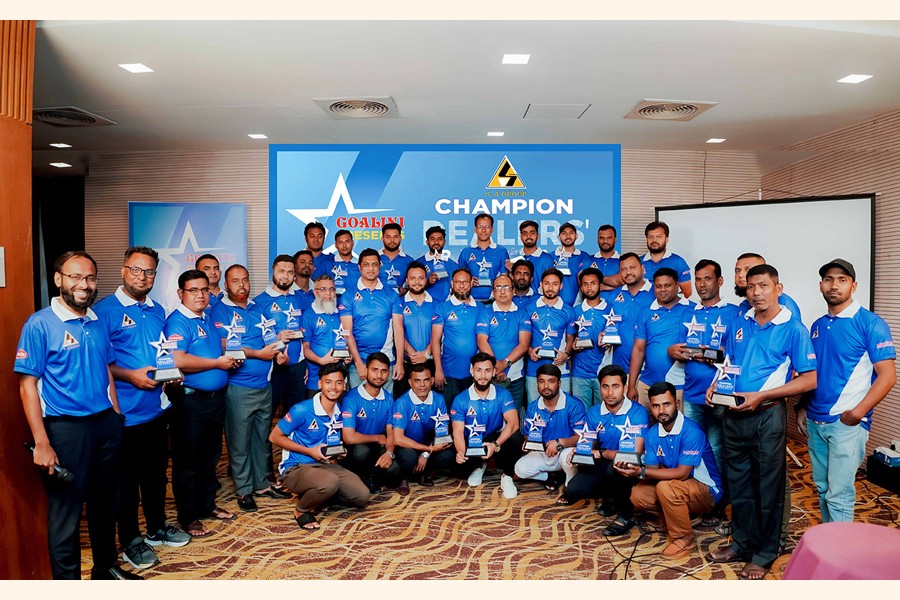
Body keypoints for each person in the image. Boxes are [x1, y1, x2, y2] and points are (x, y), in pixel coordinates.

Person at [16, 251, 137, 580]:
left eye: (90, 278)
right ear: (59, 279)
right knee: (66, 513)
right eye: (75, 277)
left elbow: (106, 368)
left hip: (106, 424)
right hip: (66, 429)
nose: (84, 284)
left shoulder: (96, 321)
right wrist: (42, 443)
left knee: (105, 503)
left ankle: (105, 569)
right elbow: (27, 387)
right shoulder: (39, 324)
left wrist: (116, 414)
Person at [705, 264, 816, 580]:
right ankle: (742, 543)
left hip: (767, 415)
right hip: (733, 414)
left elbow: (809, 379)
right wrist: (715, 384)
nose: (756, 292)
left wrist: (763, 395)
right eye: (751, 286)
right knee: (739, 483)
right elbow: (729, 362)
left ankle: (765, 553)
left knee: (767, 486)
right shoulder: (741, 322)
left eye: (764, 286)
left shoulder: (793, 328)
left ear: (778, 289)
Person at [93, 247, 189, 571]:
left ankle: (157, 527)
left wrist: (170, 374)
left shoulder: (157, 310)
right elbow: (99, 362)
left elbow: (160, 355)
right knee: (126, 484)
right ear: (123, 270)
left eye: (149, 272)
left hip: (156, 410)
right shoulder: (103, 311)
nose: (142, 277)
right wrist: (130, 375)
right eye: (136, 270)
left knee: (155, 477)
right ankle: (131, 540)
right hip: (124, 415)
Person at [799, 259, 895, 523]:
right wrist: (803, 406)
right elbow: (815, 371)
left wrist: (857, 413)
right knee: (823, 490)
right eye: (829, 279)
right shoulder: (818, 325)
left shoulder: (870, 324)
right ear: (821, 285)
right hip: (815, 421)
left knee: (839, 496)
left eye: (842, 280)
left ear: (853, 286)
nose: (834, 285)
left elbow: (887, 377)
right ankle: (828, 541)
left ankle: (840, 548)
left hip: (846, 423)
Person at [166, 269, 239, 538]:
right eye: (193, 290)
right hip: (190, 403)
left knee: (210, 457)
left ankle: (206, 504)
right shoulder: (177, 322)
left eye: (204, 290)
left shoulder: (206, 317)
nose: (200, 295)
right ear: (180, 293)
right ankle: (188, 516)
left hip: (214, 401)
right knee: (188, 461)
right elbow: (178, 359)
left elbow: (214, 352)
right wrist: (217, 363)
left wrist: (228, 360)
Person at [211, 264, 291, 513]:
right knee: (239, 442)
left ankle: (262, 485)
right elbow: (224, 345)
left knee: (260, 439)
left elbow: (271, 339)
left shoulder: (257, 308)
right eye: (235, 281)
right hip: (239, 387)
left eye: (245, 280)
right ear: (226, 285)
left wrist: (280, 353)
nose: (241, 285)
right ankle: (244, 489)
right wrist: (258, 354)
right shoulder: (220, 310)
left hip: (263, 386)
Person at [667, 259, 737, 523]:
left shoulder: (733, 313)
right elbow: (679, 347)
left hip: (720, 394)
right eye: (698, 279)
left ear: (719, 281)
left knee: (717, 449)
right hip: (692, 394)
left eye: (707, 279)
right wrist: (673, 350)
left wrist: (714, 356)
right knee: (695, 450)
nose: (702, 284)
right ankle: (701, 500)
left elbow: (736, 352)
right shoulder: (689, 313)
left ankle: (720, 502)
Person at [620, 382, 723, 559]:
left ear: (676, 403)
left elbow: (682, 473)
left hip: (707, 490)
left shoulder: (691, 431)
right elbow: (652, 471)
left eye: (666, 404)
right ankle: (679, 517)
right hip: (677, 486)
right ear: (650, 407)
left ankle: (684, 538)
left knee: (666, 488)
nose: (661, 410)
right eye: (656, 406)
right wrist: (632, 469)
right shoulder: (653, 433)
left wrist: (642, 472)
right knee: (638, 494)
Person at [270, 363, 369, 531]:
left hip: (326, 465)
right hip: (296, 467)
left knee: (362, 496)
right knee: (329, 482)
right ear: (319, 384)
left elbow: (332, 441)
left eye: (338, 382)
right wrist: (310, 451)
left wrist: (339, 452)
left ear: (344, 385)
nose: (334, 387)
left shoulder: (340, 412)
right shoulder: (302, 409)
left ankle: (321, 495)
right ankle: (301, 510)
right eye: (328, 382)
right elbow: (274, 437)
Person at [560, 364, 648, 537]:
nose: (610, 392)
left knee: (615, 468)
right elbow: (588, 444)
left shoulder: (638, 413)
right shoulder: (594, 412)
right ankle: (611, 496)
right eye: (605, 386)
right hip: (603, 461)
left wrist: (602, 453)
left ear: (624, 388)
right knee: (574, 490)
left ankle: (625, 514)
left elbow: (633, 455)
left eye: (615, 386)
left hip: (628, 465)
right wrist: (579, 452)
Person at [450, 353, 524, 499]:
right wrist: (461, 452)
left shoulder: (503, 394)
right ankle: (478, 466)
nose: (483, 376)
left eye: (487, 370)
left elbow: (513, 423)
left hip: (495, 440)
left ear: (494, 372)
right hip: (472, 441)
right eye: (478, 370)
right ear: (471, 371)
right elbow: (457, 431)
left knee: (516, 438)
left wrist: (495, 445)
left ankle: (507, 476)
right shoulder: (460, 399)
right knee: (458, 466)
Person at [628, 268, 694, 411]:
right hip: (647, 384)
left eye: (667, 285)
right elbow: (638, 349)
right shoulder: (646, 311)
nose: (662, 290)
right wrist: (631, 386)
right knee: (643, 424)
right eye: (658, 286)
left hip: (679, 385)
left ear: (677, 285)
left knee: (676, 424)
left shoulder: (693, 310)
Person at [340, 248, 405, 391]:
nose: (371, 269)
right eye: (366, 264)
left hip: (386, 361)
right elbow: (347, 332)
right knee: (357, 403)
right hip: (359, 362)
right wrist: (358, 362)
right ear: (359, 267)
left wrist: (400, 362)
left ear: (380, 266)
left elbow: (399, 330)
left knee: (385, 402)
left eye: (374, 264)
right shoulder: (348, 295)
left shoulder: (391, 295)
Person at [514, 364, 587, 493]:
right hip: (544, 452)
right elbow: (527, 434)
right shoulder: (533, 407)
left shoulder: (574, 405)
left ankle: (569, 484)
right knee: (520, 469)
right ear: (537, 383)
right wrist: (528, 443)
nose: (546, 386)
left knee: (568, 459)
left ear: (559, 383)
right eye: (541, 381)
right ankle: (551, 476)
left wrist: (559, 443)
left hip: (565, 450)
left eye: (551, 381)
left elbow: (581, 437)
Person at [252, 255, 309, 418]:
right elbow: (255, 338)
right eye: (281, 271)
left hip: (297, 366)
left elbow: (307, 331)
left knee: (296, 416)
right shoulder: (258, 302)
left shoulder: (300, 298)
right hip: (273, 366)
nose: (285, 276)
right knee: (266, 415)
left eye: (290, 272)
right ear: (273, 271)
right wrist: (276, 339)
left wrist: (306, 364)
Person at [340, 352, 401, 493]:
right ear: (366, 370)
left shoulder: (388, 399)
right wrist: (378, 438)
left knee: (394, 470)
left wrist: (389, 453)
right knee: (361, 452)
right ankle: (363, 476)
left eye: (384, 371)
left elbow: (390, 432)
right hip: (355, 447)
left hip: (376, 447)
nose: (379, 375)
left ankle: (372, 473)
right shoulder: (351, 398)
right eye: (374, 370)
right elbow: (349, 438)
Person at [392, 363, 457, 494]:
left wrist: (426, 454)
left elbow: (443, 434)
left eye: (426, 380)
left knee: (447, 456)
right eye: (417, 381)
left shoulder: (439, 399)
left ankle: (422, 472)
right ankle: (403, 478)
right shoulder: (402, 402)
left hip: (427, 442)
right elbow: (398, 439)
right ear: (410, 382)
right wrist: (428, 449)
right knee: (409, 457)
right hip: (407, 445)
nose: (422, 385)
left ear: (432, 381)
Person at [476, 274, 531, 415]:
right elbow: (482, 341)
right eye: (498, 287)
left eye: (506, 287)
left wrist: (505, 363)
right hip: (489, 375)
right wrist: (495, 367)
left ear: (513, 291)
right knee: (490, 417)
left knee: (513, 418)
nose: (502, 291)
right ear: (493, 292)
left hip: (515, 376)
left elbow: (524, 344)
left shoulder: (522, 313)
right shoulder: (485, 312)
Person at [524, 268, 576, 402]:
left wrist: (566, 355)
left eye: (555, 284)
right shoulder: (530, 308)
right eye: (547, 283)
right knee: (534, 409)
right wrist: (529, 351)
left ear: (561, 286)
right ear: (541, 285)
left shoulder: (568, 311)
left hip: (560, 369)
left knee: (562, 408)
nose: (550, 288)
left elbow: (571, 338)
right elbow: (522, 337)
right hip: (534, 370)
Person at [432, 267, 481, 403]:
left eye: (465, 282)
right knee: (448, 413)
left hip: (474, 374)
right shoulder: (442, 307)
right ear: (452, 284)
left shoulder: (481, 308)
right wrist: (438, 370)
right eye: (458, 282)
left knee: (470, 412)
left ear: (472, 283)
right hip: (448, 373)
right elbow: (435, 340)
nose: (461, 286)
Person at [302, 275, 351, 397]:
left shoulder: (342, 312)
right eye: (323, 289)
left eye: (331, 289)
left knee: (339, 408)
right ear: (315, 292)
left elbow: (348, 338)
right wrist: (320, 360)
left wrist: (349, 356)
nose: (328, 293)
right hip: (316, 379)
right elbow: (305, 348)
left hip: (340, 378)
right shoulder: (308, 314)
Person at [571, 268, 614, 408]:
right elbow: (570, 338)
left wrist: (609, 339)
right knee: (581, 414)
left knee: (603, 413)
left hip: (603, 372)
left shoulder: (611, 310)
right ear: (581, 288)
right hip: (579, 373)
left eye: (593, 283)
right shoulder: (575, 311)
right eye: (585, 284)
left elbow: (617, 335)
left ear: (600, 286)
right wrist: (573, 345)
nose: (589, 288)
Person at [396, 261, 435, 398]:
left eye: (421, 278)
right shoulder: (398, 303)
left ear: (426, 280)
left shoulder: (437, 304)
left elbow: (439, 334)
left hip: (430, 363)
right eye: (412, 278)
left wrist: (426, 353)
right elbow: (396, 331)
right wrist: (413, 354)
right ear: (407, 280)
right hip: (407, 363)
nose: (417, 282)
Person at [733, 252, 802, 321]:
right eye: (737, 271)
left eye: (748, 270)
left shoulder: (784, 305)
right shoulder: (745, 305)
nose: (740, 275)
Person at [457, 213, 510, 302]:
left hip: (495, 301)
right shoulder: (465, 252)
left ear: (492, 229)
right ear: (475, 229)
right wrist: (468, 281)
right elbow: (459, 278)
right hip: (470, 301)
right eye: (480, 226)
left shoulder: (501, 251)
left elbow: (504, 278)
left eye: (487, 226)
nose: (484, 230)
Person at [640, 221, 692, 298]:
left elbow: (687, 292)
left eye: (659, 236)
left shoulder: (678, 262)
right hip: (643, 305)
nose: (654, 240)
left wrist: (667, 301)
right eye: (650, 237)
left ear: (666, 239)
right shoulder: (638, 262)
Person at [506, 220, 555, 294]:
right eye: (525, 233)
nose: (528, 236)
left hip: (539, 300)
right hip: (517, 299)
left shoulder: (548, 259)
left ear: (538, 236)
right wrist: (510, 272)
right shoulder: (513, 259)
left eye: (532, 233)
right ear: (521, 237)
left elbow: (551, 284)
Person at [418, 224, 459, 301]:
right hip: (425, 304)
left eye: (440, 239)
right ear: (427, 242)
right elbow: (411, 287)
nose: (436, 242)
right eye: (432, 239)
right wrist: (427, 282)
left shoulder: (453, 265)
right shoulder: (418, 263)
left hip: (446, 305)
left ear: (444, 242)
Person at [554, 222, 590, 305]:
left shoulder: (584, 256)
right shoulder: (550, 257)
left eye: (571, 233)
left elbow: (584, 280)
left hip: (578, 305)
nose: (568, 236)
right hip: (555, 306)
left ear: (576, 236)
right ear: (559, 237)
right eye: (564, 233)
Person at [379, 222, 414, 295]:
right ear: (382, 239)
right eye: (388, 237)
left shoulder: (409, 261)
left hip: (401, 301)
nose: (392, 240)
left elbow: (414, 283)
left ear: (400, 238)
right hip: (378, 300)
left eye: (395, 237)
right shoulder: (374, 259)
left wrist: (405, 290)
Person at [588, 224, 622, 291]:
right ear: (597, 239)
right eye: (602, 238)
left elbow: (623, 282)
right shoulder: (588, 259)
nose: (605, 241)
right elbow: (583, 284)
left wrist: (596, 280)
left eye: (609, 238)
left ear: (615, 239)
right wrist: (613, 282)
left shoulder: (623, 261)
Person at [330, 229, 361, 297]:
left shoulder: (360, 265)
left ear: (352, 243)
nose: (344, 245)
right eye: (340, 242)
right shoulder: (328, 264)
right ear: (336, 245)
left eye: (347, 241)